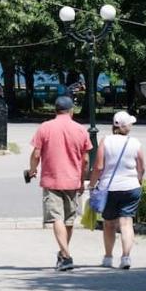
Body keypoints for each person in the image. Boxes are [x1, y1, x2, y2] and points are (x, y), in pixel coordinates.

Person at [28, 95, 91, 271]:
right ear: (71, 111)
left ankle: (67, 256)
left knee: (57, 218)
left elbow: (36, 154)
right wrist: (81, 178)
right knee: (69, 220)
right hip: (73, 180)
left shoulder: (45, 127)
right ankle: (63, 254)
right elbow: (85, 159)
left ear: (55, 110)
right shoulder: (80, 130)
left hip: (52, 179)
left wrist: (33, 170)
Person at [89, 110, 146, 269]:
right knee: (126, 223)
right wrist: (138, 180)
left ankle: (108, 257)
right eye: (130, 124)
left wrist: (92, 184)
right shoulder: (135, 143)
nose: (131, 126)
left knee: (109, 224)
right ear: (124, 126)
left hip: (109, 188)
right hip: (131, 186)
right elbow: (142, 167)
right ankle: (126, 257)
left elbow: (99, 166)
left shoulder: (105, 141)